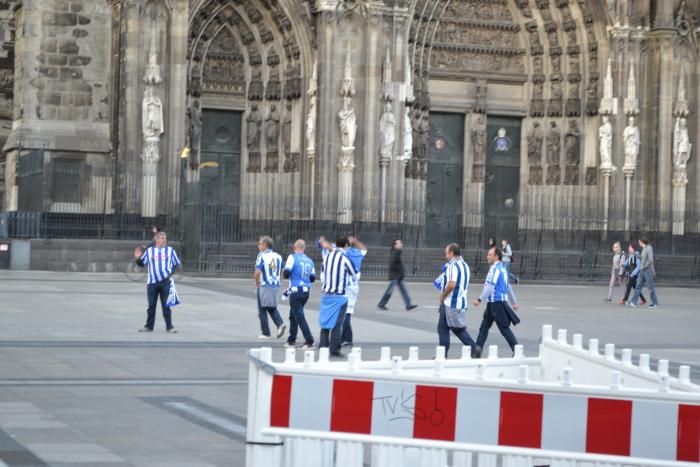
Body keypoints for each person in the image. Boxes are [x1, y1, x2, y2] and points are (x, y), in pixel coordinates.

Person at [435, 243, 481, 358]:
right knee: (443, 328)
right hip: (460, 301)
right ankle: (442, 355)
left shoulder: (453, 266)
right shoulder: (465, 265)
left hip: (451, 302)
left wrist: (443, 296)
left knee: (456, 329)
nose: (446, 256)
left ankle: (474, 348)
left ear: (451, 253)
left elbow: (452, 284)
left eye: (447, 253)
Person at [473, 247, 521, 354]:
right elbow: (508, 287)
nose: (487, 257)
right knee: (484, 327)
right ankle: (477, 351)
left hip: (497, 304)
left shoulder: (495, 269)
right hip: (493, 303)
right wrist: (514, 302)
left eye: (489, 255)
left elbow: (490, 287)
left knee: (504, 329)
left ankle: (517, 350)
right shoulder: (502, 269)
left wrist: (480, 299)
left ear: (496, 257)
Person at [133, 231, 180, 333]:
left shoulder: (170, 250)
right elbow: (142, 263)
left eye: (165, 238)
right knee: (151, 305)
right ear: (156, 239)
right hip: (152, 283)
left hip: (165, 283)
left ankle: (169, 327)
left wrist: (170, 273)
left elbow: (176, 264)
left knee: (166, 306)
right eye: (162, 238)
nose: (164, 240)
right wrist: (137, 258)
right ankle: (149, 326)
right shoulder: (149, 251)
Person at [318, 236, 358, 357]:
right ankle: (334, 350)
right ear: (346, 245)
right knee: (337, 324)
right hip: (340, 296)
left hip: (326, 295)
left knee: (325, 323)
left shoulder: (326, 257)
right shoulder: (345, 258)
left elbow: (322, 277)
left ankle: (323, 347)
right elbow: (354, 274)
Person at [282, 239, 315, 349]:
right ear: (304, 248)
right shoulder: (310, 260)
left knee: (299, 316)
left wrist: (287, 272)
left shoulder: (292, 257)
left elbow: (286, 273)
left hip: (296, 291)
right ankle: (291, 339)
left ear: (294, 248)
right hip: (306, 291)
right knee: (293, 315)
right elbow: (313, 278)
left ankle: (309, 341)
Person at [255, 236, 286, 339]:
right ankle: (280, 324)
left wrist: (257, 285)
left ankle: (266, 333)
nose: (258, 246)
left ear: (265, 245)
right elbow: (283, 270)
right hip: (275, 285)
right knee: (271, 307)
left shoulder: (262, 256)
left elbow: (257, 272)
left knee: (262, 310)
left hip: (264, 285)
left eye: (260, 244)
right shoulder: (278, 256)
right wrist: (279, 280)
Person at [341, 234, 368, 347]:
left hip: (345, 285)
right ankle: (346, 337)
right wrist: (355, 241)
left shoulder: (343, 253)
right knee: (347, 312)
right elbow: (364, 249)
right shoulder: (357, 253)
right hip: (354, 285)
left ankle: (347, 338)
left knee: (344, 312)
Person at [377, 239, 418, 311]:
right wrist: (400, 268)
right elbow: (392, 264)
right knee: (389, 291)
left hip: (398, 276)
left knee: (404, 291)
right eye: (398, 243)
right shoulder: (395, 253)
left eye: (400, 243)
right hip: (395, 276)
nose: (400, 244)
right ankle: (381, 304)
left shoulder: (398, 252)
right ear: (395, 246)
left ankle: (408, 305)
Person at [628, 236, 659, 308]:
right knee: (638, 286)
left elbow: (650, 260)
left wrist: (645, 267)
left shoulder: (649, 248)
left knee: (650, 287)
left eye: (639, 242)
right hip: (642, 270)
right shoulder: (644, 249)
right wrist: (634, 253)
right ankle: (633, 302)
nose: (639, 243)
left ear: (642, 242)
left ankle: (655, 303)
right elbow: (642, 258)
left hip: (647, 270)